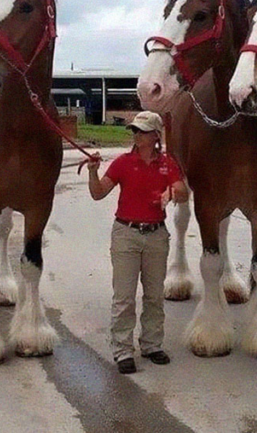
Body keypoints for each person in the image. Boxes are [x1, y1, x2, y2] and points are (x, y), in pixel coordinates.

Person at [86, 111, 187, 375]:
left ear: (156, 136)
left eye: (142, 131)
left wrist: (172, 191)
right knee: (124, 297)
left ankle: (152, 345)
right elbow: (98, 194)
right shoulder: (122, 163)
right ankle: (122, 350)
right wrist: (93, 173)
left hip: (156, 235)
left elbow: (184, 192)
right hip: (126, 234)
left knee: (154, 296)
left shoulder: (167, 163)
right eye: (135, 131)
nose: (137, 135)